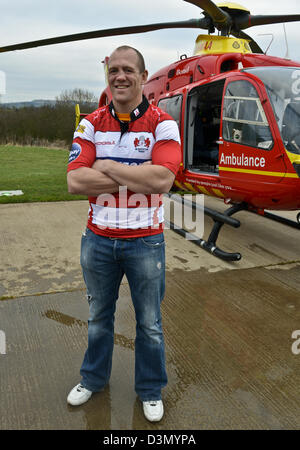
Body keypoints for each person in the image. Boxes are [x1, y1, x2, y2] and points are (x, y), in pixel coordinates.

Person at [66, 45, 181, 422]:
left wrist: (109, 164)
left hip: (146, 242)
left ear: (143, 77)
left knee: (149, 322)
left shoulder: (164, 123)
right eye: (113, 69)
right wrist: (136, 173)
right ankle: (93, 378)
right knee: (99, 316)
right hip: (98, 239)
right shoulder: (90, 123)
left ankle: (150, 389)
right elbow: (74, 181)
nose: (120, 76)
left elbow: (163, 179)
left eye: (128, 69)